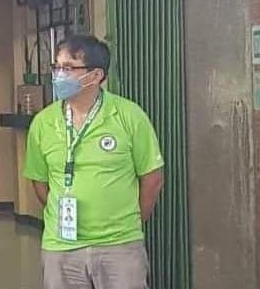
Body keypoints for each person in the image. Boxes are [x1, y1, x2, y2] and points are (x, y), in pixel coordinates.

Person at [24, 35, 165, 289]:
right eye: (56, 67)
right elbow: (40, 182)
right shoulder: (43, 123)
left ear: (96, 75)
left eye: (69, 68)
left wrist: (128, 219)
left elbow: (152, 179)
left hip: (119, 245)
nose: (59, 75)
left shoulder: (129, 116)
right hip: (61, 247)